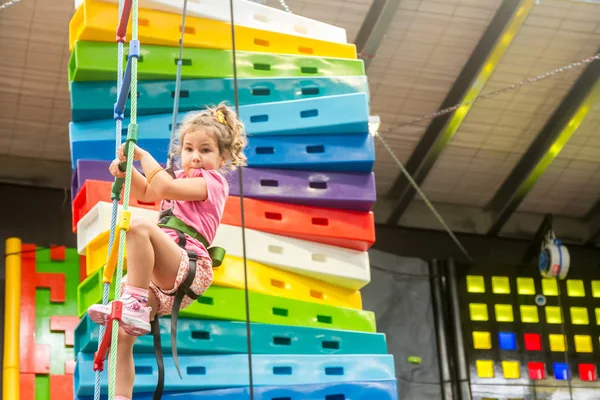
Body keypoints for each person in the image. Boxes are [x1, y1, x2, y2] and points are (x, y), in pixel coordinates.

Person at [86, 103, 247, 400]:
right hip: (162, 276)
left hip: (189, 265)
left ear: (223, 157)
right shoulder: (178, 179)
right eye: (188, 149)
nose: (195, 157)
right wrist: (127, 171)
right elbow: (148, 192)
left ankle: (134, 303)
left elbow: (164, 188)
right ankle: (121, 396)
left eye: (206, 150)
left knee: (138, 227)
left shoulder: (212, 182)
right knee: (122, 334)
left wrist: (143, 155)